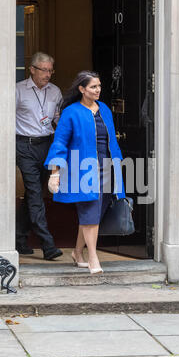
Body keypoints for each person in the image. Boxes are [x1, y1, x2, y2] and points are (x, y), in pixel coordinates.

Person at [44, 71, 125, 273]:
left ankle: (77, 252)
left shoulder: (104, 109)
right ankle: (93, 258)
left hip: (107, 167)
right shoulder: (71, 112)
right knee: (89, 210)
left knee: (95, 213)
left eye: (99, 86)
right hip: (83, 169)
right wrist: (55, 173)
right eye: (93, 87)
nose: (98, 90)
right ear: (82, 89)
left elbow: (110, 140)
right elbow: (59, 143)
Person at [16, 52, 63, 260]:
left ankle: (19, 239)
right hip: (24, 145)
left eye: (50, 70)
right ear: (32, 69)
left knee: (34, 194)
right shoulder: (18, 90)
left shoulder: (55, 92)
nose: (48, 74)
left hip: (46, 145)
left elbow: (56, 119)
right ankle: (48, 245)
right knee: (35, 194)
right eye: (44, 70)